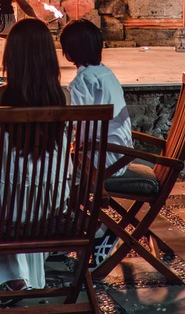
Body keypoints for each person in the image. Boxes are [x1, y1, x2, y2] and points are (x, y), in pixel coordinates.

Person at [0, 17, 66, 292]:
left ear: (10, 57)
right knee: (19, 184)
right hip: (51, 204)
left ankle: (8, 276)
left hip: (4, 207)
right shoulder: (65, 97)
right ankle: (18, 276)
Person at [59, 18, 131, 268]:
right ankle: (72, 234)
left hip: (102, 160)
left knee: (50, 179)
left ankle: (100, 231)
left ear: (68, 53)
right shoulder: (105, 73)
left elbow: (75, 126)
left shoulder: (81, 83)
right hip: (118, 154)